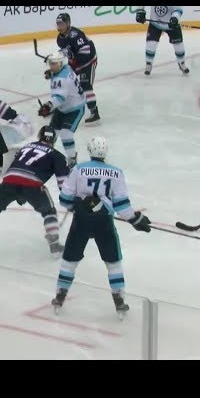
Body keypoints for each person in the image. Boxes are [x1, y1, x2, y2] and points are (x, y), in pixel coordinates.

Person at [53, 136, 151, 319]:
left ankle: (59, 297)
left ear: (90, 150)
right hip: (103, 220)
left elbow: (65, 198)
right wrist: (136, 219)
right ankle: (119, 301)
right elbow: (122, 206)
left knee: (70, 260)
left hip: (81, 220)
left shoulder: (78, 169)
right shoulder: (116, 173)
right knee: (113, 262)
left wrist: (76, 206)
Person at [0, 125, 71, 256]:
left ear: (40, 136)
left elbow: (17, 166)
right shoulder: (57, 156)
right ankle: (54, 245)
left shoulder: (26, 147)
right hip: (32, 185)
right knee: (49, 211)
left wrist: (19, 193)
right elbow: (64, 185)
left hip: (8, 182)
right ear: (54, 140)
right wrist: (71, 200)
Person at [38, 51, 86, 170]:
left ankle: (72, 159)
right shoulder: (67, 68)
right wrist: (51, 74)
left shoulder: (61, 79)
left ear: (60, 63)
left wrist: (48, 107)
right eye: (51, 63)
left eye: (54, 64)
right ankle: (46, 157)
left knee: (66, 134)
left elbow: (59, 98)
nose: (51, 66)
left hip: (75, 109)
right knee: (50, 134)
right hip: (63, 108)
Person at [54, 13, 100, 125]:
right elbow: (68, 52)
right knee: (65, 81)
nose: (59, 26)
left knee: (85, 86)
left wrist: (73, 60)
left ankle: (95, 113)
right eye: (58, 24)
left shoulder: (76, 34)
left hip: (89, 61)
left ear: (68, 24)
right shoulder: (60, 39)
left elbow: (86, 51)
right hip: (77, 62)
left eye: (62, 24)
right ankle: (62, 106)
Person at [135, 6, 190, 76]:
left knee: (179, 45)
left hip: (171, 25)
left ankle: (181, 63)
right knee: (151, 44)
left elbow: (178, 9)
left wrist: (175, 18)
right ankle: (148, 63)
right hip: (155, 24)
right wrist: (140, 11)